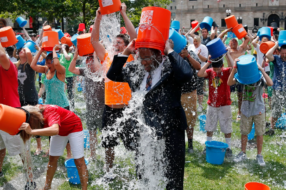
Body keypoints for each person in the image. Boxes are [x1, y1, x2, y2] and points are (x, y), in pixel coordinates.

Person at [107, 39, 193, 190]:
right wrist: (127, 51)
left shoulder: (171, 67)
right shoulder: (136, 68)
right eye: (141, 58)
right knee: (143, 172)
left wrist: (169, 50)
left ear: (159, 55)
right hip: (145, 131)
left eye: (147, 58)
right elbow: (113, 74)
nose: (144, 63)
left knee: (173, 177)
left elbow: (186, 74)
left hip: (171, 130)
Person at [91, 4, 137, 180]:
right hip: (109, 108)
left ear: (126, 46)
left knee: (132, 143)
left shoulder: (130, 56)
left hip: (127, 109)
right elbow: (94, 41)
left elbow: (135, 37)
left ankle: (138, 169)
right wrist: (98, 17)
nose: (115, 44)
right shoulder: (108, 56)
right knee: (108, 143)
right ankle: (109, 172)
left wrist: (123, 13)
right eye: (115, 42)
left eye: (119, 42)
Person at [19, 104, 88, 190]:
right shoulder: (35, 112)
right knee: (52, 159)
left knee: (79, 161)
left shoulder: (49, 112)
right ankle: (47, 187)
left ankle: (84, 188)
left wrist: (32, 131)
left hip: (74, 127)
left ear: (33, 117)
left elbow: (55, 130)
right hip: (60, 130)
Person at [0, 37, 36, 189]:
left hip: (11, 113)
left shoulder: (8, 67)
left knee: (23, 149)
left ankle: (30, 179)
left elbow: (2, 56)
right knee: (1, 147)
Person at [227, 58, 273, 166]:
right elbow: (229, 83)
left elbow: (270, 83)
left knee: (260, 133)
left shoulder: (260, 78)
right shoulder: (242, 78)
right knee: (244, 132)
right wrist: (234, 68)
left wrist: (261, 69)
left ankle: (259, 155)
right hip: (245, 110)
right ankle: (243, 152)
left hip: (259, 110)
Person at [31, 45, 72, 159]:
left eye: (50, 62)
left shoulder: (61, 70)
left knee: (65, 130)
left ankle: (69, 154)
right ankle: (52, 151)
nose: (49, 65)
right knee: (50, 131)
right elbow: (33, 65)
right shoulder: (45, 70)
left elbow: (57, 64)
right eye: (47, 63)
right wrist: (40, 51)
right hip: (49, 106)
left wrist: (54, 50)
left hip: (62, 105)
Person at [69, 49, 105, 161]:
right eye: (87, 61)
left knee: (104, 134)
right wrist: (75, 56)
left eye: (91, 61)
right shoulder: (86, 72)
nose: (88, 63)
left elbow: (98, 69)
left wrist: (95, 54)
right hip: (90, 108)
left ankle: (105, 156)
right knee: (91, 132)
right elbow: (71, 69)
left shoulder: (102, 71)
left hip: (103, 108)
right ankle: (93, 155)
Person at [197, 50, 234, 158]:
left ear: (222, 66)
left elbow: (233, 67)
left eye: (218, 69)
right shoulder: (210, 72)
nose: (216, 72)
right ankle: (207, 145)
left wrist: (227, 54)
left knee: (227, 127)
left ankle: (228, 148)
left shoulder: (226, 71)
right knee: (209, 127)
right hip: (212, 104)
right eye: (215, 69)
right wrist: (208, 62)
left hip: (225, 104)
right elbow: (199, 74)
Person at [219, 29, 250, 121]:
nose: (233, 42)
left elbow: (247, 39)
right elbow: (218, 38)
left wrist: (238, 32)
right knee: (226, 94)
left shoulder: (241, 49)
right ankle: (224, 113)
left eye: (235, 41)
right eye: (232, 41)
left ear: (238, 42)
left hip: (240, 75)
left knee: (240, 95)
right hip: (230, 75)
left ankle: (239, 112)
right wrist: (227, 30)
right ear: (229, 44)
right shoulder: (226, 51)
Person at [179, 46, 201, 153]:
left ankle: (190, 144)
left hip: (190, 92)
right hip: (177, 92)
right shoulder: (173, 54)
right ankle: (180, 143)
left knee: (190, 119)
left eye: (184, 48)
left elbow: (198, 67)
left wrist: (187, 55)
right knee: (178, 119)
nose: (182, 50)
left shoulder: (191, 54)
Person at [265, 42, 286, 135]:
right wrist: (276, 44)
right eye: (282, 53)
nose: (284, 55)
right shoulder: (277, 59)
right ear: (279, 52)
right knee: (276, 110)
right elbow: (268, 55)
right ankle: (272, 129)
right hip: (277, 88)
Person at [188, 35, 208, 112]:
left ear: (200, 41)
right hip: (192, 71)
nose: (195, 42)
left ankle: (200, 105)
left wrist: (199, 55)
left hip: (200, 71)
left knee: (199, 89)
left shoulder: (203, 48)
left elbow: (205, 59)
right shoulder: (190, 47)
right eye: (194, 41)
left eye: (196, 41)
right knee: (192, 88)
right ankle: (193, 104)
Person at [60, 44, 75, 109]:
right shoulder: (60, 55)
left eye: (63, 48)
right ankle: (64, 105)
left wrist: (63, 49)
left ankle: (72, 107)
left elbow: (67, 58)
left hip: (68, 76)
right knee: (62, 92)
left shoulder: (70, 55)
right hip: (61, 77)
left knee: (69, 92)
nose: (61, 48)